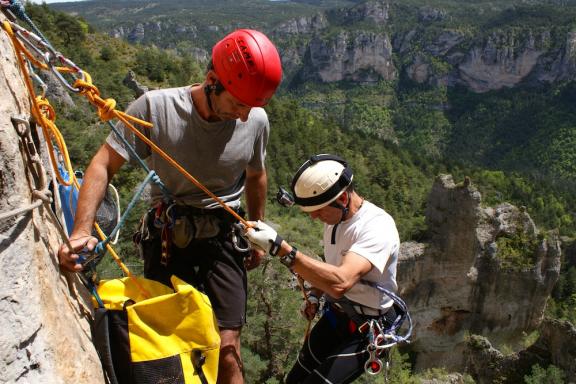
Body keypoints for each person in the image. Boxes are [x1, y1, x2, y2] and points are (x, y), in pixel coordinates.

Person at [58, 29, 283, 384]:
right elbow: (103, 164)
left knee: (228, 346)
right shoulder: (155, 108)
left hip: (225, 232)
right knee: (171, 342)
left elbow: (256, 176)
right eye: (238, 104)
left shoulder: (255, 119)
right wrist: (81, 232)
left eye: (250, 107)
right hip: (170, 233)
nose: (243, 116)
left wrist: (257, 229)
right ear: (211, 81)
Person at [244, 154, 402, 383]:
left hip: (365, 331)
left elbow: (340, 282)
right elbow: (333, 267)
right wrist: (316, 294)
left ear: (343, 198)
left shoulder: (377, 227)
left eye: (319, 210)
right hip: (336, 317)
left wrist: (282, 249)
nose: (316, 217)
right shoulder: (335, 220)